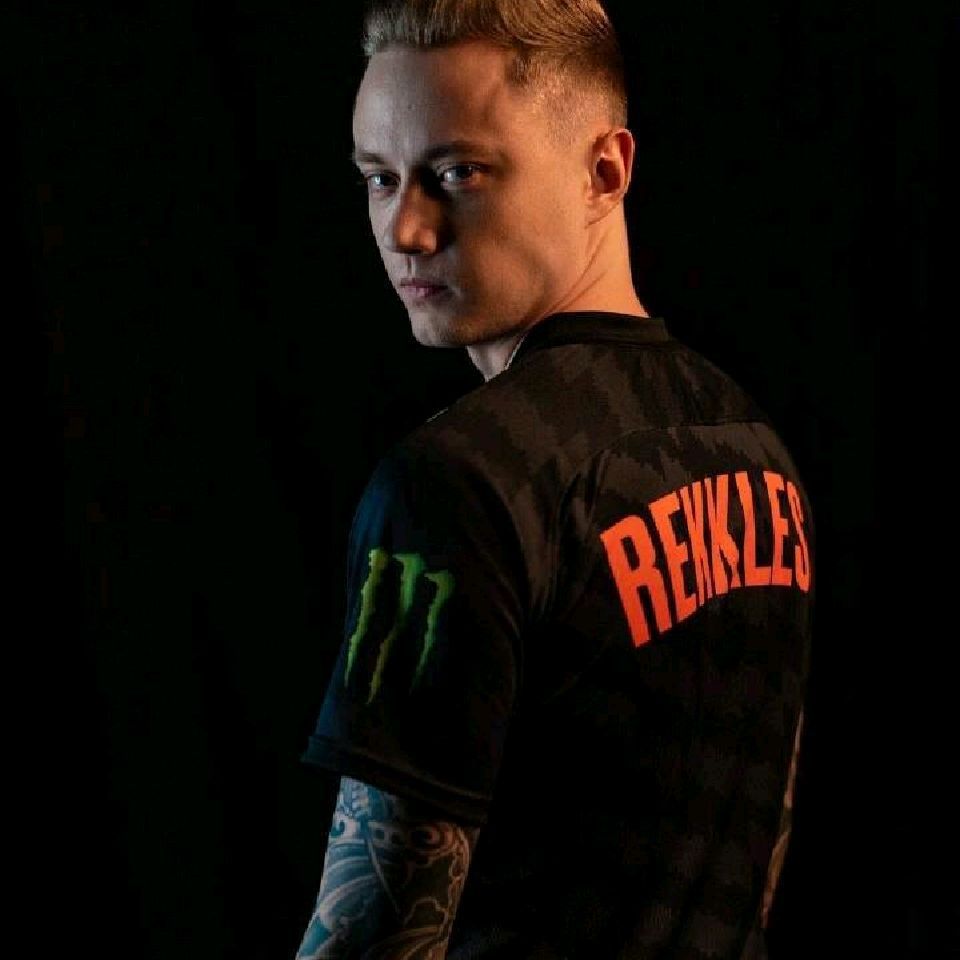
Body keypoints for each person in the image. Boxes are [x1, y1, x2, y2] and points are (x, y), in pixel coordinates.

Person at [295, 1, 815, 957]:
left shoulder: (457, 483)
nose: (406, 230)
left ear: (604, 171)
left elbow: (373, 932)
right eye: (380, 178)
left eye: (458, 172)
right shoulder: (754, 451)